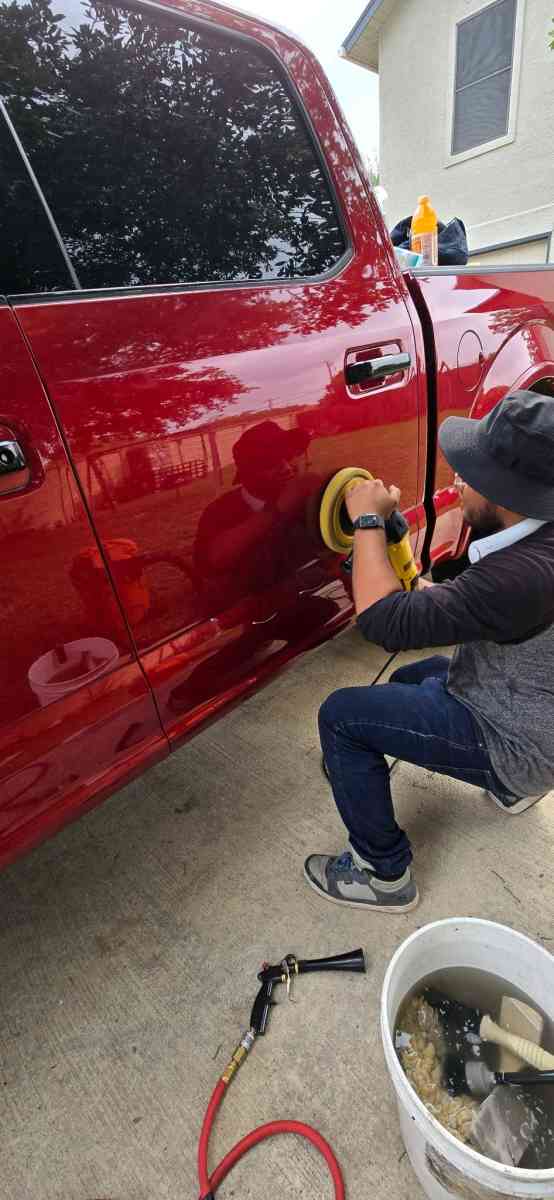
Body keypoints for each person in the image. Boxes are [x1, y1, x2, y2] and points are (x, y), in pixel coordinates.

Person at [304, 390, 554, 914]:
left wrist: (368, 523)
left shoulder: (521, 578)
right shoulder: (536, 546)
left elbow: (385, 621)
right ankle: (511, 792)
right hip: (532, 702)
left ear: (509, 494)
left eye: (472, 471)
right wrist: (394, 535)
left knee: (343, 717)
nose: (458, 480)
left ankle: (382, 873)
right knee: (409, 681)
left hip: (520, 741)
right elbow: (436, 601)